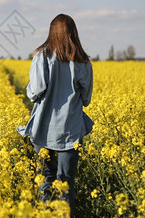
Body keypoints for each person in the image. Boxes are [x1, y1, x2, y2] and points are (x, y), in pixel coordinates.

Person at [17, 14, 94, 216]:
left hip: (45, 127)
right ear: (73, 33)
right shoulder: (83, 61)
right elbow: (86, 98)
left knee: (45, 178)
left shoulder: (42, 56)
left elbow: (36, 91)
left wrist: (29, 89)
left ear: (52, 32)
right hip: (71, 130)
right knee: (66, 181)